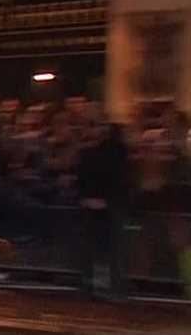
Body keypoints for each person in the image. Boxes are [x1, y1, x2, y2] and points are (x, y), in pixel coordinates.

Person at [76, 122, 132, 298]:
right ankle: (103, 285)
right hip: (102, 205)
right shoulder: (90, 152)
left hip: (108, 206)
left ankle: (103, 285)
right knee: (99, 249)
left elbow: (119, 179)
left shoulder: (113, 152)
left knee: (105, 248)